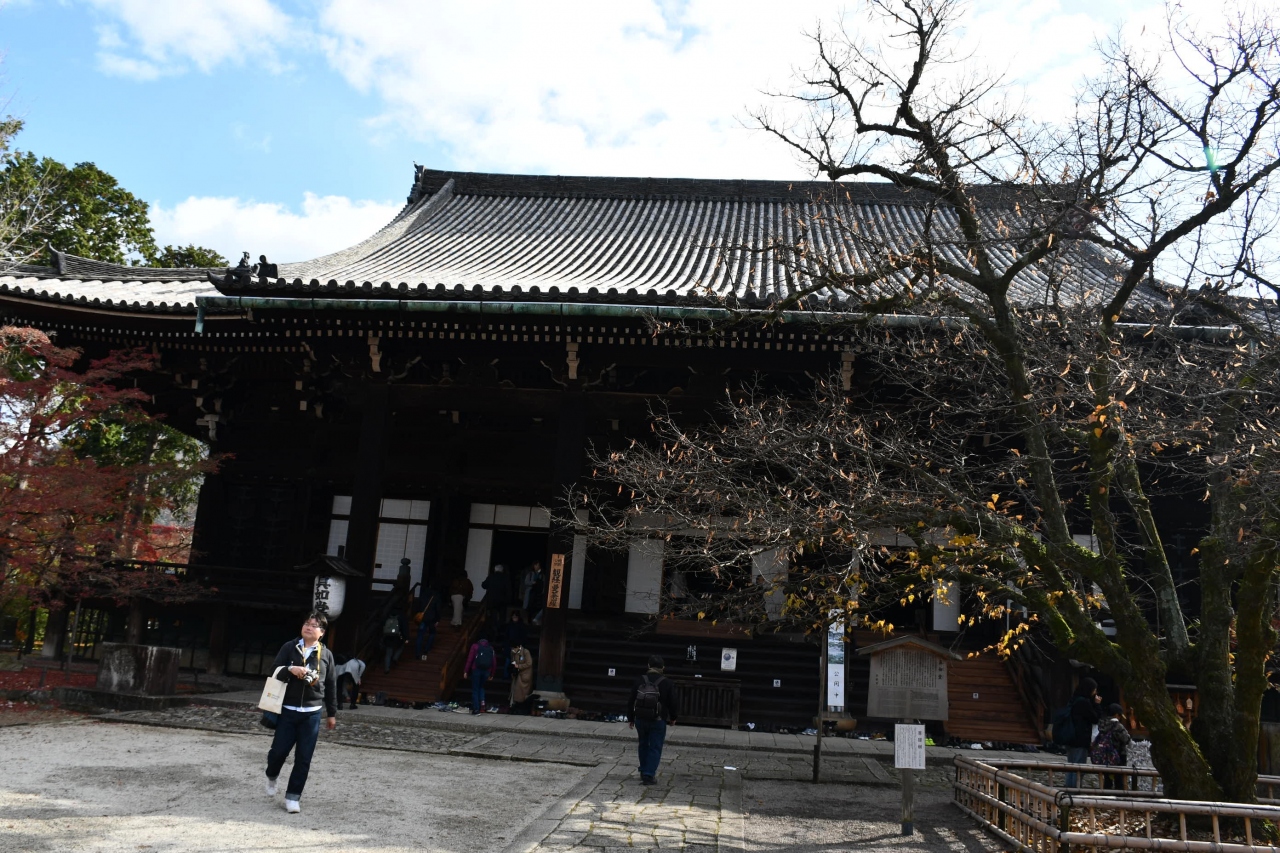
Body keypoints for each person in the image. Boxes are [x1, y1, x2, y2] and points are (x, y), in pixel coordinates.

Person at [264, 611, 337, 814]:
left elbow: (331, 685)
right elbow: (272, 670)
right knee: (278, 752)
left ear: (322, 633)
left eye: (314, 625)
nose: (309, 627)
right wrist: (290, 669)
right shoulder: (290, 647)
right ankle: (271, 775)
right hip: (288, 710)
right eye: (306, 623)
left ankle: (293, 797)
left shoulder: (326, 655)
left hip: (312, 713)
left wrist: (332, 713)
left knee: (304, 758)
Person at [627, 654, 679, 785]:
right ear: (663, 667)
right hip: (658, 719)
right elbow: (673, 702)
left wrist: (631, 718)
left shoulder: (640, 680)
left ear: (648, 666)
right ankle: (649, 775)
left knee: (643, 744)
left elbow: (631, 700)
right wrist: (673, 717)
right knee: (655, 746)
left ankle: (643, 769)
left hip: (640, 718)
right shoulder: (667, 683)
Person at [1064, 677, 1103, 788]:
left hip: (1070, 737)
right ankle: (1074, 790)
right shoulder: (1084, 703)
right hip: (1080, 739)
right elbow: (1095, 718)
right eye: (1094, 690)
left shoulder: (1073, 700)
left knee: (1071, 766)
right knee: (1079, 767)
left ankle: (1068, 788)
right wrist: (1097, 704)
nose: (1095, 693)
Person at [1091, 703, 1132, 790]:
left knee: (1107, 778)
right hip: (1117, 756)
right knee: (1119, 779)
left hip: (1105, 755)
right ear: (1116, 715)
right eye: (1120, 715)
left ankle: (1106, 794)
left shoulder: (1102, 724)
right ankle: (1119, 796)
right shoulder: (1118, 726)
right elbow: (1126, 739)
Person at [463, 636, 497, 714]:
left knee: (475, 689)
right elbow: (494, 662)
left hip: (476, 670)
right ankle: (482, 705)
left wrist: (466, 671)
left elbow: (470, 659)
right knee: (481, 687)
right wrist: (492, 674)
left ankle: (476, 709)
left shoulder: (475, 646)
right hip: (487, 671)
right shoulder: (491, 648)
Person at [482, 564, 511, 634]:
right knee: (502, 617)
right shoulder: (506, 578)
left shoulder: (491, 577)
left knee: (493, 616)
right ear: (502, 570)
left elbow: (484, 585)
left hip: (492, 599)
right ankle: (500, 631)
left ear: (495, 570)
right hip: (503, 600)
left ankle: (493, 630)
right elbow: (509, 589)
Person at [415, 588, 441, 659]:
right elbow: (438, 609)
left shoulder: (423, 595)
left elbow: (418, 606)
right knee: (432, 633)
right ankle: (427, 649)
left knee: (420, 635)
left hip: (423, 618)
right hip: (432, 619)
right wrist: (438, 620)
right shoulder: (436, 596)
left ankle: (417, 653)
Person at [509, 641, 535, 712]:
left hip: (525, 674)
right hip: (517, 673)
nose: (513, 650)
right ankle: (515, 704)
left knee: (522, 692)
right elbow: (513, 661)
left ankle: (522, 706)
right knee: (515, 690)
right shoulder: (513, 652)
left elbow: (529, 663)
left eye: (514, 648)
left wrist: (519, 666)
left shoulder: (525, 652)